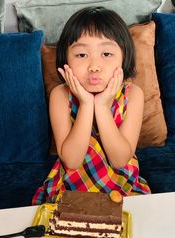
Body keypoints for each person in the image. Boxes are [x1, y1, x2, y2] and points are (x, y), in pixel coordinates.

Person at [32, 6, 151, 205]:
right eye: (81, 55)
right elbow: (72, 160)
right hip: (71, 189)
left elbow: (120, 159)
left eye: (106, 54)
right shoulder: (60, 95)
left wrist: (103, 107)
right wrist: (87, 104)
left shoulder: (133, 95)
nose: (94, 66)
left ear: (124, 57)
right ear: (65, 60)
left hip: (122, 188)